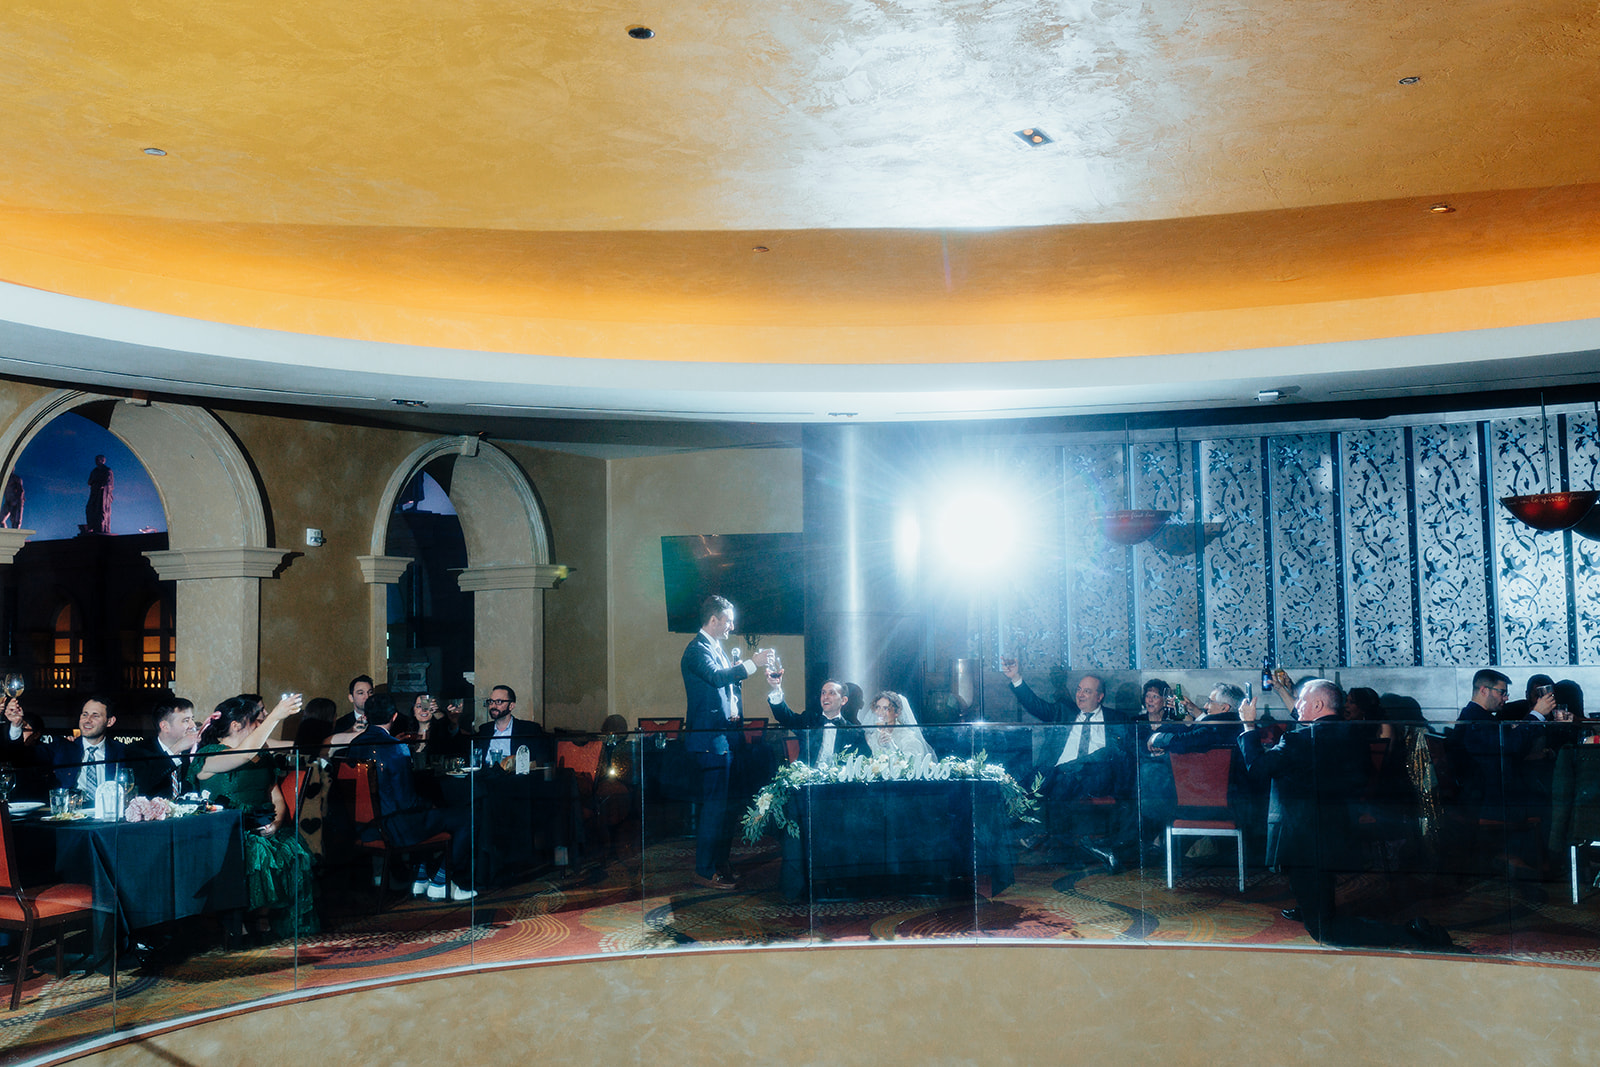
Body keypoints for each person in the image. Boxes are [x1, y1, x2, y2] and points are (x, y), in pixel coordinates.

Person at [1239, 679, 1451, 948]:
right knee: (1313, 896)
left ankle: (1414, 934)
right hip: (1340, 830)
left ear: (1317, 705)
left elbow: (1257, 769)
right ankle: (1312, 907)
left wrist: (1248, 725)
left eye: (1301, 701)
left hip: (1305, 839)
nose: (1297, 707)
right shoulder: (1353, 734)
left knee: (1324, 931)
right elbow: (1320, 731)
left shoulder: (1298, 741)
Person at [188, 695, 315, 937]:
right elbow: (243, 756)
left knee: (290, 849)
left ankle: (264, 917)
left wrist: (276, 823)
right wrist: (276, 716)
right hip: (225, 828)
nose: (259, 725)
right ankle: (238, 920)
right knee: (257, 851)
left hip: (261, 821)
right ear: (236, 725)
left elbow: (275, 795)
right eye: (254, 722)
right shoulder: (211, 754)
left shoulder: (260, 754)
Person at [1001, 659, 1135, 863]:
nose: (1080, 695)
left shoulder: (1117, 719)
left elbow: (1120, 755)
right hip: (1059, 775)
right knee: (1030, 780)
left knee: (1057, 776)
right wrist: (1016, 678)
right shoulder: (1064, 711)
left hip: (1095, 776)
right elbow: (1036, 706)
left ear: (1100, 697)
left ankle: (1036, 834)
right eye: (1079, 690)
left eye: (1087, 692)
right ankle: (1032, 834)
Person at [347, 695, 477, 901]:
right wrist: (430, 805)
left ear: (366, 716)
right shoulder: (396, 747)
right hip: (396, 829)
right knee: (466, 817)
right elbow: (407, 801)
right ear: (394, 716)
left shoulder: (355, 744)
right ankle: (441, 881)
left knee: (427, 815)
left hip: (366, 828)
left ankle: (420, 877)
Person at [681, 594, 771, 889]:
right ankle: (705, 872)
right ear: (714, 619)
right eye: (729, 620)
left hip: (728, 739)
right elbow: (717, 678)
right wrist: (751, 664)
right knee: (714, 810)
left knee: (725, 810)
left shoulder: (717, 648)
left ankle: (720, 865)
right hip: (710, 741)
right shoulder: (696, 650)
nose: (733, 625)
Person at [767, 675, 867, 763]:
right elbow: (785, 717)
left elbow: (864, 760)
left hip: (838, 783)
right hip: (808, 780)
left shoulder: (854, 732)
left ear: (843, 700)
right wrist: (776, 688)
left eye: (831, 693)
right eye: (823, 693)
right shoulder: (809, 720)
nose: (825, 697)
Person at [50, 695, 126, 795]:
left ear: (110, 721)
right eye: (85, 714)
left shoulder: (121, 752)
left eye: (95, 716)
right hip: (74, 809)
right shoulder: (63, 748)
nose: (87, 720)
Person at [126, 696, 198, 799]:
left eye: (192, 719)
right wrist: (174, 751)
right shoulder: (138, 751)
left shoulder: (194, 750)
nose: (193, 725)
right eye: (186, 720)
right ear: (165, 726)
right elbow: (142, 786)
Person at [474, 685, 554, 766]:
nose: (493, 706)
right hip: (486, 776)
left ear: (511, 706)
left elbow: (543, 759)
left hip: (513, 776)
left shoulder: (528, 729)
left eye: (499, 702)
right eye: (491, 702)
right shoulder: (484, 730)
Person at [862, 690, 934, 760]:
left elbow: (911, 762)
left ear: (897, 712)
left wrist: (891, 745)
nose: (880, 712)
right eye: (878, 707)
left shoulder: (908, 736)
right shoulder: (874, 736)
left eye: (886, 708)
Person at [85, 454, 112, 534]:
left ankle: (101, 528)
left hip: (103, 495)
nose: (96, 461)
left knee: (101, 511)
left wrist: (101, 484)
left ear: (103, 461)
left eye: (98, 459)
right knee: (89, 509)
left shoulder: (107, 470)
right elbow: (89, 482)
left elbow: (108, 483)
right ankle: (91, 527)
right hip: (94, 493)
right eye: (96, 459)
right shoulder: (94, 471)